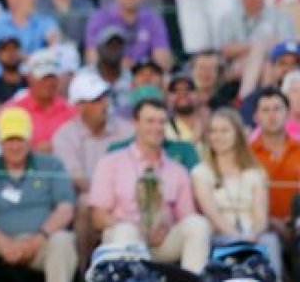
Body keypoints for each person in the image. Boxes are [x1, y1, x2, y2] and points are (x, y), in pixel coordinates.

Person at [0, 107, 77, 282]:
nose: (15, 146)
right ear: (0, 142)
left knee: (63, 241)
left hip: (42, 239)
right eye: (9, 140)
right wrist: (3, 243)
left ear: (29, 140)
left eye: (20, 139)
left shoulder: (51, 165)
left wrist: (37, 239)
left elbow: (65, 208)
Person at [89, 97, 212, 273]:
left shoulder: (176, 170)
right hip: (125, 238)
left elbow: (186, 215)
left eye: (162, 122)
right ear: (135, 123)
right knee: (125, 231)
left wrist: (164, 228)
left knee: (197, 224)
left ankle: (191, 279)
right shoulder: (111, 162)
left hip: (162, 241)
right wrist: (135, 229)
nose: (157, 128)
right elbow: (98, 217)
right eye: (150, 121)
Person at [51, 71, 134, 270]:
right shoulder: (65, 135)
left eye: (104, 97)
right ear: (80, 106)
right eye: (96, 100)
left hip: (125, 196)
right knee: (85, 203)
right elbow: (77, 178)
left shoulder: (127, 130)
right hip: (92, 198)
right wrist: (105, 195)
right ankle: (84, 269)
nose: (104, 104)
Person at [191, 107, 282, 276]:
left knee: (270, 240)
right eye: (213, 131)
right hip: (219, 237)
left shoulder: (255, 172)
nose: (217, 137)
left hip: (253, 235)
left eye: (224, 131)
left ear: (237, 134)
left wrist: (253, 234)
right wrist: (238, 238)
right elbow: (213, 214)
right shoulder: (201, 172)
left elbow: (261, 217)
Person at [83, 0, 171, 72]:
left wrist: (140, 69)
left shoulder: (153, 19)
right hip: (109, 72)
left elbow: (163, 59)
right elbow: (92, 56)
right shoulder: (100, 17)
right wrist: (117, 66)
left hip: (142, 74)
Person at [218, 0, 294, 83]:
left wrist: (257, 50)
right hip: (238, 64)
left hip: (274, 63)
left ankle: (245, 98)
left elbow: (288, 46)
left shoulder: (280, 16)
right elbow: (225, 49)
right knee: (262, 59)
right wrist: (255, 46)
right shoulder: (229, 18)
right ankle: (264, 97)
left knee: (266, 65)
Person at [248, 87, 300, 239]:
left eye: (277, 109)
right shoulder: (245, 155)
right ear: (256, 116)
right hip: (261, 229)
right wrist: (270, 222)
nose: (272, 115)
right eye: (265, 110)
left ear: (288, 114)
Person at [6, 49, 76, 152]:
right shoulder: (13, 111)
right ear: (29, 78)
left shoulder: (70, 112)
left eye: (52, 77)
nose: (48, 83)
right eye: (43, 78)